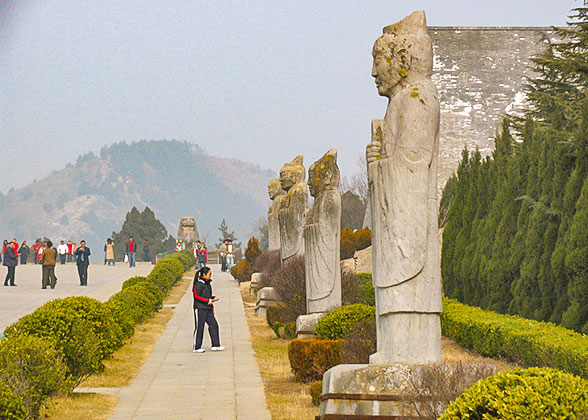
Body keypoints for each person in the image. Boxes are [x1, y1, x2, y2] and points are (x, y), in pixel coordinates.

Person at [192, 266, 224, 353]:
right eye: (209, 274)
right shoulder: (198, 284)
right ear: (204, 274)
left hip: (208, 309)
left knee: (214, 325)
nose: (211, 275)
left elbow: (206, 295)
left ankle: (215, 345)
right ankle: (197, 347)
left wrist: (212, 298)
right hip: (200, 308)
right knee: (200, 327)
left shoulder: (207, 284)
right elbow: (197, 296)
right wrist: (207, 301)